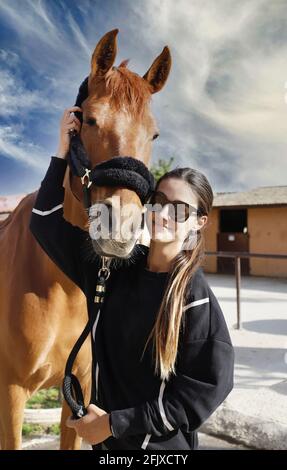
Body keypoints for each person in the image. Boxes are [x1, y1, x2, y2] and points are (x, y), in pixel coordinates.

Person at [29, 106, 234, 451]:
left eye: (180, 209)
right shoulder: (112, 269)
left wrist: (113, 424)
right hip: (105, 445)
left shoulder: (194, 298)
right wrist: (63, 150)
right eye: (158, 200)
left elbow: (202, 394)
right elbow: (44, 220)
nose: (163, 213)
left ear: (199, 221)